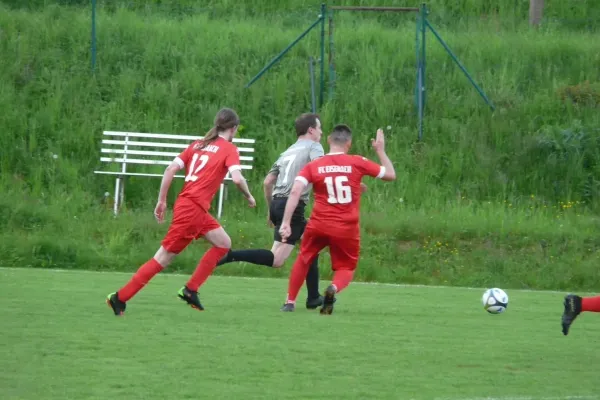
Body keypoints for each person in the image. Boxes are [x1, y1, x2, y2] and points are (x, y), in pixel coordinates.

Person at [106, 107, 256, 316]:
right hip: (193, 210)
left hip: (192, 207)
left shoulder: (197, 145)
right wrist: (249, 196)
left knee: (224, 244)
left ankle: (191, 289)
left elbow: (170, 169)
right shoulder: (229, 148)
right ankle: (120, 298)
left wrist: (161, 201)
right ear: (233, 128)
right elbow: (238, 178)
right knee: (163, 258)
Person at [279, 125, 396, 314]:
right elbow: (390, 174)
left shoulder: (314, 165)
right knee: (346, 267)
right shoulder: (357, 162)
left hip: (318, 223)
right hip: (346, 227)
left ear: (328, 141)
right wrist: (380, 151)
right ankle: (333, 288)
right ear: (348, 143)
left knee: (304, 258)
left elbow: (295, 191)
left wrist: (285, 222)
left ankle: (290, 302)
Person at [216, 113, 326, 309]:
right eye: (319, 128)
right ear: (311, 130)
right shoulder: (314, 147)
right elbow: (322, 169)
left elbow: (267, 182)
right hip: (292, 206)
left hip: (277, 202)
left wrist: (270, 210)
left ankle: (313, 297)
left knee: (312, 246)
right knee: (276, 259)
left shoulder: (287, 152)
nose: (321, 132)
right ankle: (231, 255)